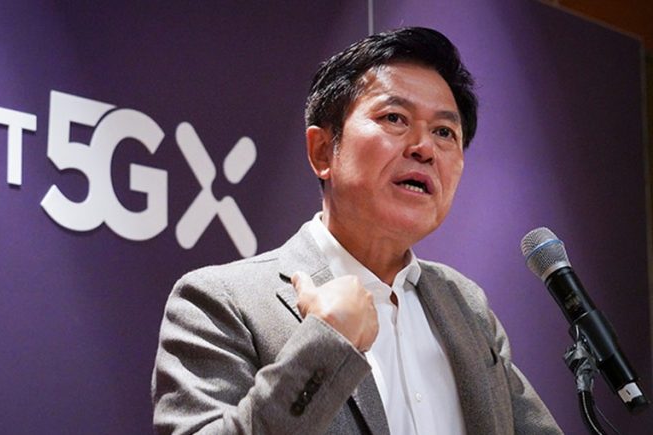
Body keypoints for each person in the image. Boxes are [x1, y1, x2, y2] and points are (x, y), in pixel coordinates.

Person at [151, 27, 562, 434]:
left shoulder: (467, 306)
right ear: (322, 151)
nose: (424, 148)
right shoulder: (222, 301)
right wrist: (326, 344)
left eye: (444, 132)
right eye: (394, 118)